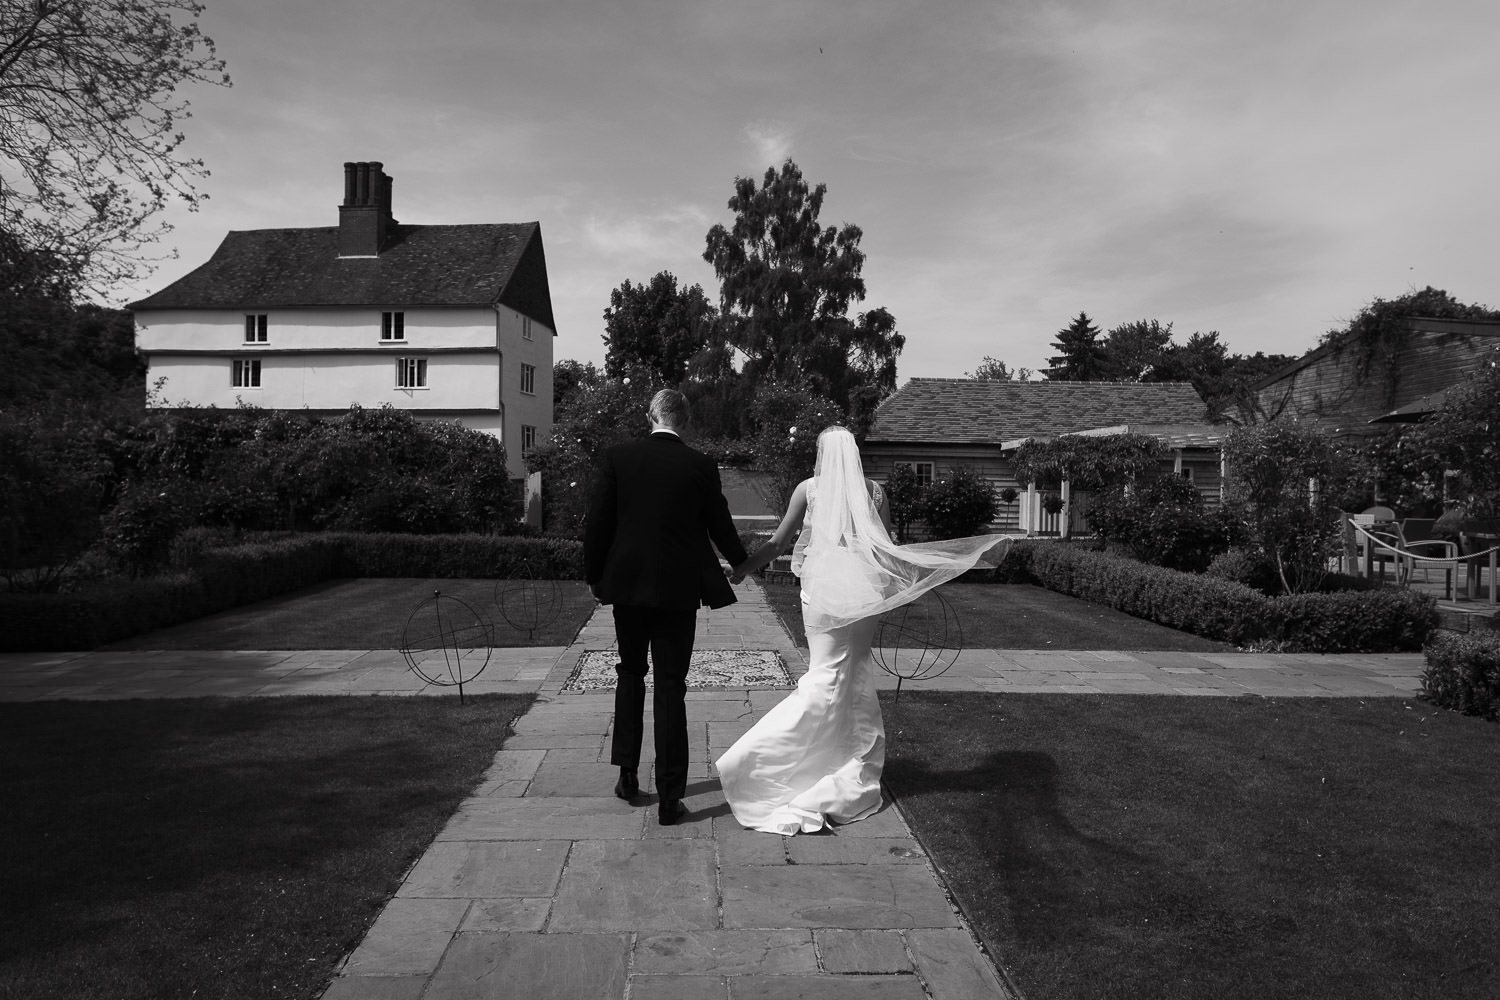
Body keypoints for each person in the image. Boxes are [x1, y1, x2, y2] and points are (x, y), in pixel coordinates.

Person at [717, 425, 1007, 836]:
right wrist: (906, 582)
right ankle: (842, 763)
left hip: (821, 594)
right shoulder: (875, 492)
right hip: (864, 591)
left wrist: (742, 570)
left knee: (826, 676)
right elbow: (886, 547)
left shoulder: (808, 489)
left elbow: (780, 543)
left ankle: (755, 759)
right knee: (852, 674)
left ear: (822, 454)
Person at [584, 389, 749, 826]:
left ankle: (627, 775)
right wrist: (743, 564)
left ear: (649, 416)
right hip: (679, 591)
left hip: (629, 588)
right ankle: (672, 797)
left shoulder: (619, 457)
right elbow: (720, 523)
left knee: (630, 673)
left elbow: (598, 522)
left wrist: (594, 578)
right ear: (686, 421)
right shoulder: (699, 465)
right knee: (671, 685)